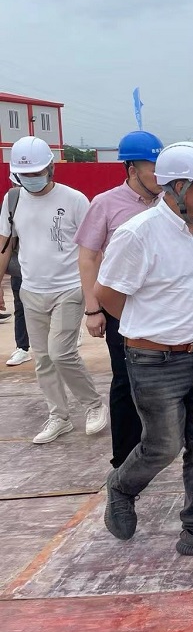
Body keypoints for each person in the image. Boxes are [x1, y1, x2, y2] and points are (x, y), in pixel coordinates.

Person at [96, 141, 193, 558]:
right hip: (155, 361)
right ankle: (121, 486)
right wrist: (153, 328)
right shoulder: (138, 234)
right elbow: (108, 295)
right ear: (179, 186)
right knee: (163, 445)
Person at [0, 136, 106, 444]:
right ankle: (59, 416)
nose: (32, 178)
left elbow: (93, 250)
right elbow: (4, 245)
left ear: (50, 168)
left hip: (69, 288)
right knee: (43, 359)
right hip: (31, 290)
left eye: (37, 172)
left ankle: (93, 404)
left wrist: (94, 299)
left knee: (61, 353)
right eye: (25, 174)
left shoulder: (75, 200)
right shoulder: (12, 200)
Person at [75, 130, 162, 469]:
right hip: (119, 308)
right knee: (126, 381)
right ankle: (124, 461)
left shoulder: (169, 203)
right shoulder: (106, 204)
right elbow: (88, 258)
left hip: (159, 308)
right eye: (152, 167)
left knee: (161, 382)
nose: (159, 175)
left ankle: (156, 448)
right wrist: (92, 308)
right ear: (132, 168)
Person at [3, 176, 32, 368]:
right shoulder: (11, 202)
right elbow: (4, 242)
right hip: (20, 267)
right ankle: (22, 347)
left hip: (47, 269)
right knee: (20, 307)